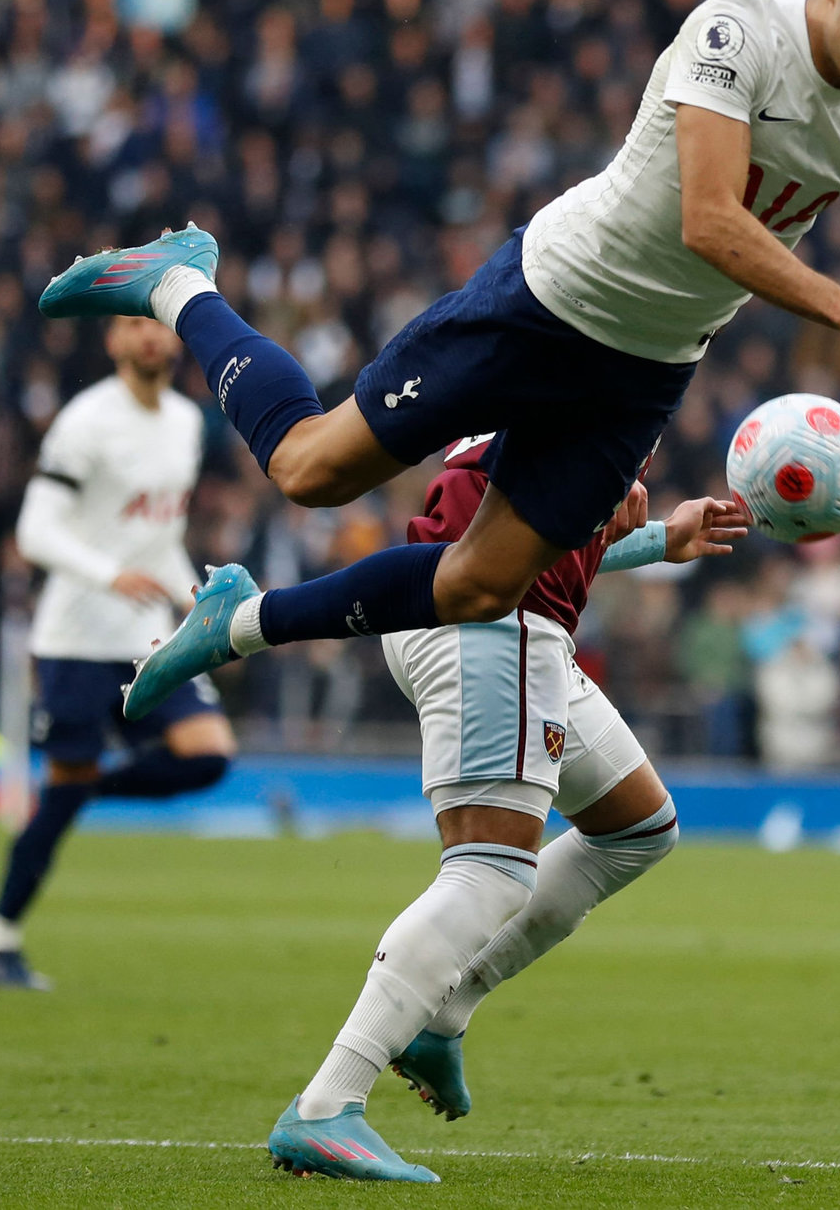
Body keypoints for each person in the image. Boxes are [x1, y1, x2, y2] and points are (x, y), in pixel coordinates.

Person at [35, 0, 840, 723]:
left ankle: (237, 623)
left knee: (480, 586)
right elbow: (709, 221)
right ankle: (177, 282)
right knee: (309, 471)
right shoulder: (740, 27)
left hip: (646, 369)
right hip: (549, 302)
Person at [268, 436, 746, 1182]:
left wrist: (654, 537)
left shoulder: (610, 361)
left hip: (485, 598)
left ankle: (443, 1009)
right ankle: (327, 1103)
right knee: (487, 873)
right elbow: (509, 507)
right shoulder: (612, 354)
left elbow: (538, 527)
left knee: (637, 826)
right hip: (493, 613)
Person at [0, 316, 237, 991]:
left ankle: (88, 789)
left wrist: (197, 599)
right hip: (77, 637)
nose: (148, 335)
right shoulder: (85, 421)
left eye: (157, 323)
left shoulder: (184, 421)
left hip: (143, 635)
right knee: (58, 799)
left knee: (208, 754)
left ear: (175, 338)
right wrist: (108, 573)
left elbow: (161, 536)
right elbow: (34, 531)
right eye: (132, 324)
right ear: (111, 340)